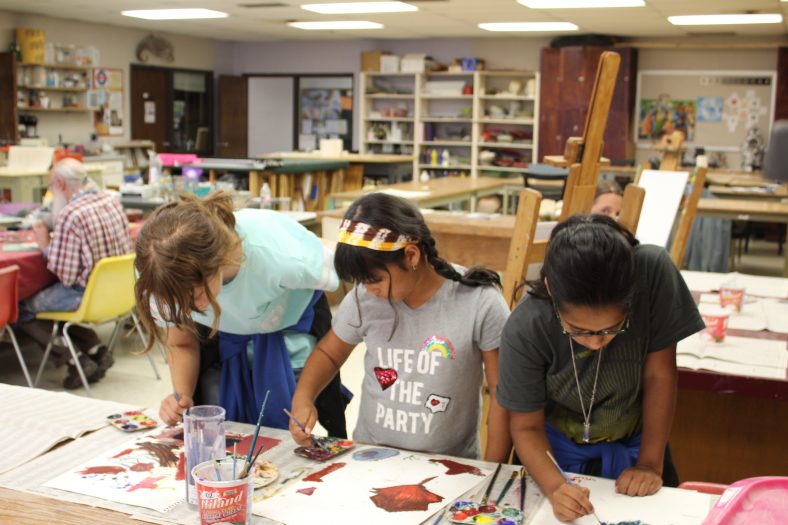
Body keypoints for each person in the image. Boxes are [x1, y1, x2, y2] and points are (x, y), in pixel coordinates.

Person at [497, 214, 704, 522]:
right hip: (555, 459)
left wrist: (649, 464)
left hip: (639, 446)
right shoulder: (527, 325)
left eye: (613, 328)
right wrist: (556, 488)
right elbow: (526, 426)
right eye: (578, 330)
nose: (596, 342)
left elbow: (659, 374)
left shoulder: (651, 271)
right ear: (552, 290)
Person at [289, 193, 511, 462]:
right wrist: (303, 397)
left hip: (449, 467)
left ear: (411, 255)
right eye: (361, 281)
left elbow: (502, 393)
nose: (369, 290)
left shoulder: (479, 301)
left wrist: (493, 470)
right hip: (369, 457)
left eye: (375, 279)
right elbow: (329, 354)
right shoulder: (363, 299)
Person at [134, 191, 348, 436]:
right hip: (223, 337)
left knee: (299, 429)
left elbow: (359, 280)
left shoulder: (281, 254)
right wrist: (182, 397)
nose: (184, 310)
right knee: (227, 434)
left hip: (290, 332)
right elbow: (181, 341)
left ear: (221, 260)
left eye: (193, 298)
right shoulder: (157, 270)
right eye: (175, 304)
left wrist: (306, 394)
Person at [19, 158, 131, 389]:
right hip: (117, 293)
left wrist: (43, 245)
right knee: (49, 308)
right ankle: (95, 349)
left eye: (51, 186)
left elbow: (65, 275)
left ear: (60, 184)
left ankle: (73, 359)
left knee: (22, 306)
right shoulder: (111, 200)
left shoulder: (71, 214)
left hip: (83, 293)